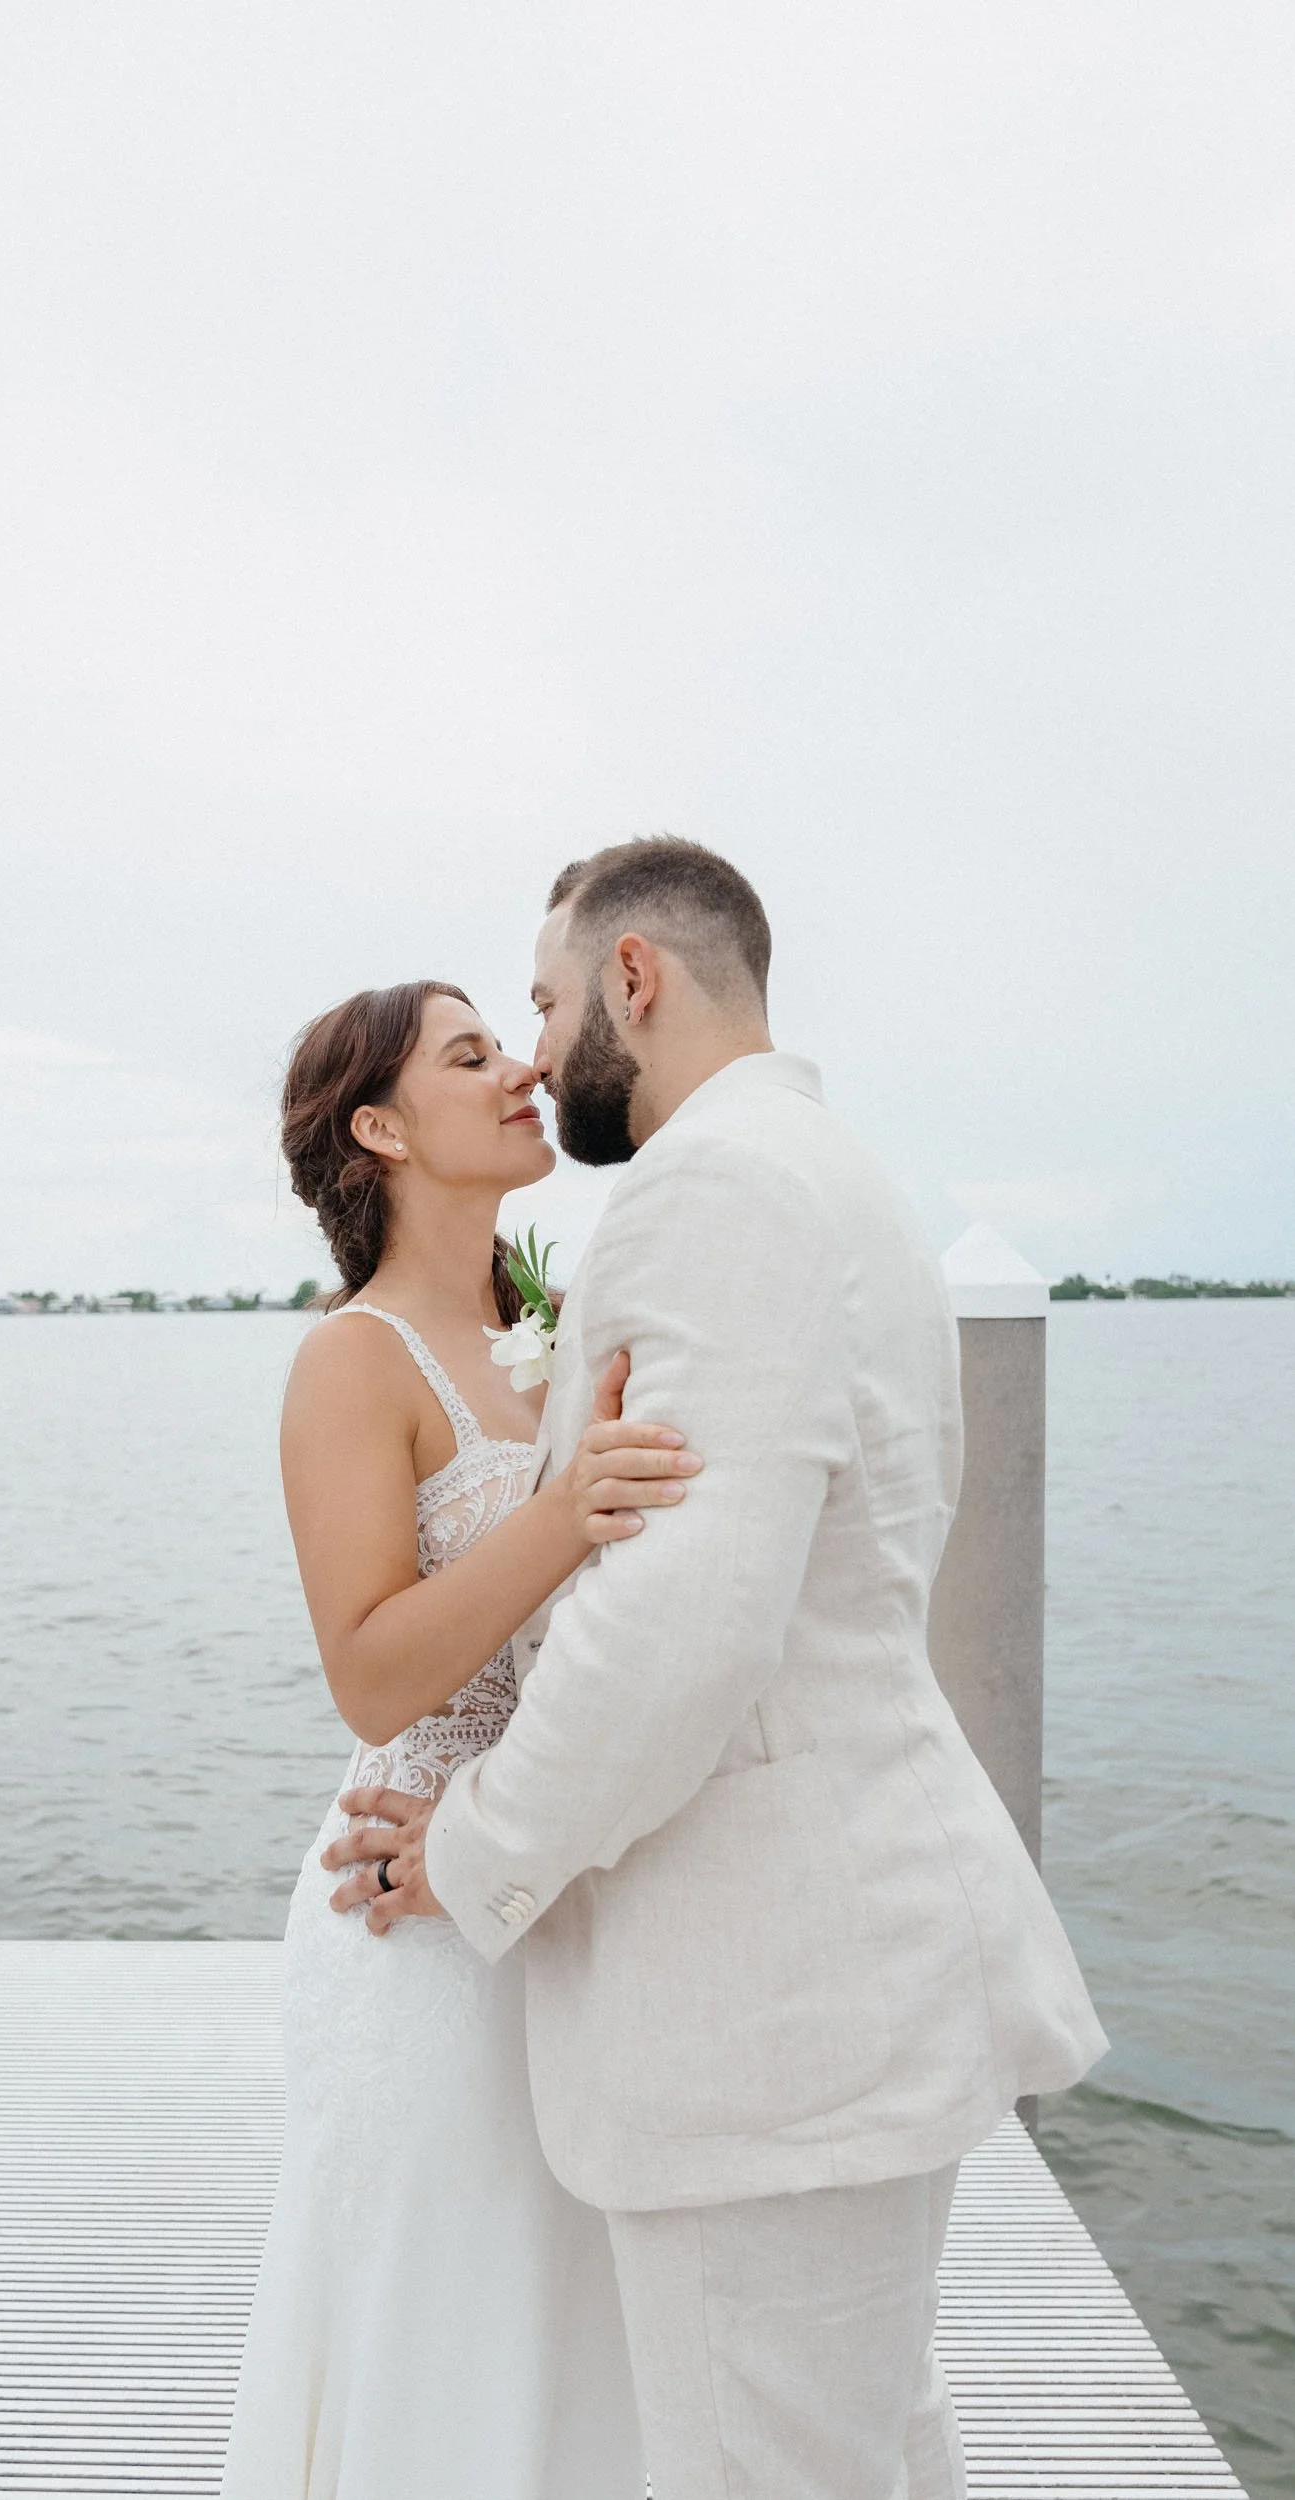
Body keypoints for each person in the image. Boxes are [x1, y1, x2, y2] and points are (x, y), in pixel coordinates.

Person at [325, 837, 1109, 2500]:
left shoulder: (709, 1189)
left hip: (770, 2006)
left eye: (540, 1002)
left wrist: (463, 1852)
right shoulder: (827, 1169)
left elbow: (679, 1637)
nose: (535, 1052)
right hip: (834, 1977)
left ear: (634, 979)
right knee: (859, 2450)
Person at [218, 977, 701, 2499]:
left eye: (510, 1042)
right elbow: (367, 1678)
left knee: (576, 2324)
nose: (523, 1071)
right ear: (379, 1126)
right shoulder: (352, 1361)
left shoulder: (554, 1324)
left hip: (560, 1877)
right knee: (445, 2314)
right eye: (471, 1056)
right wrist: (563, 1516)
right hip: (411, 1914)